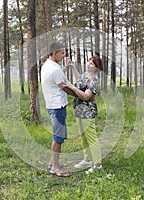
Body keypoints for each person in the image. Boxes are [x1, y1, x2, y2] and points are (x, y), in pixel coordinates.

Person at [62, 55, 103, 174]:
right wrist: (72, 67)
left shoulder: (94, 80)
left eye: (92, 64)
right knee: (83, 136)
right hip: (79, 109)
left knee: (91, 137)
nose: (89, 65)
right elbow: (79, 79)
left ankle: (98, 164)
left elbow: (86, 96)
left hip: (88, 111)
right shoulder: (86, 75)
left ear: (97, 68)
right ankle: (87, 159)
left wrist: (70, 86)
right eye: (88, 62)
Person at [41, 42, 76, 177]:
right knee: (58, 138)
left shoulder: (48, 65)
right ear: (54, 53)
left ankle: (52, 162)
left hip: (52, 105)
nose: (64, 55)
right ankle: (55, 168)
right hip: (57, 106)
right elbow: (65, 88)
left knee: (59, 136)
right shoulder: (54, 69)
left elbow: (56, 76)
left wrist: (66, 67)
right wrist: (81, 95)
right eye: (62, 53)